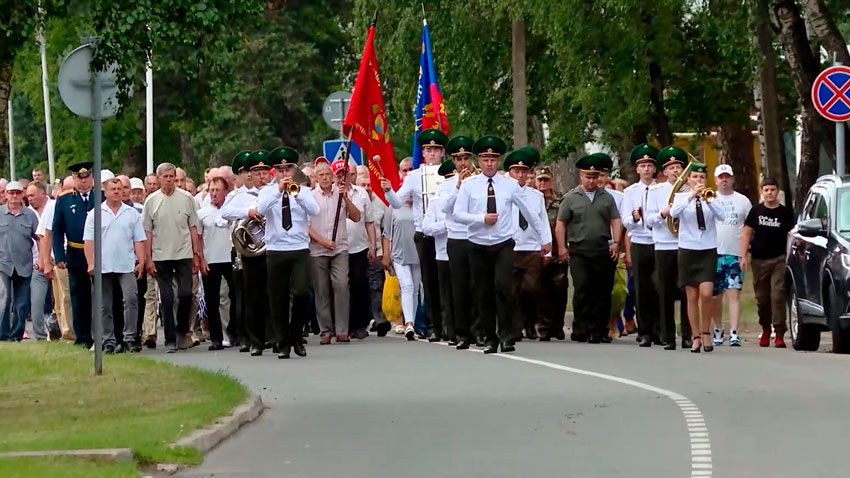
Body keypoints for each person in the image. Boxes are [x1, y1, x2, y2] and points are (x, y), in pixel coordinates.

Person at [452, 136, 551, 353]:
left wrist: (545, 238)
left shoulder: (510, 186)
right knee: (483, 292)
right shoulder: (469, 185)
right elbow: (458, 214)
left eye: (493, 159)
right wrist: (480, 219)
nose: (489, 163)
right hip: (477, 244)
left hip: (503, 244)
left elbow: (529, 212)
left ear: (498, 161)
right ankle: (489, 338)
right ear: (479, 161)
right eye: (485, 159)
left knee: (504, 289)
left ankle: (507, 336)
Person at [257, 147, 320, 358]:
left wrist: (295, 193)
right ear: (275, 172)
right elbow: (261, 209)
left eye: (288, 170)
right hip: (276, 249)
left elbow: (314, 210)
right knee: (278, 298)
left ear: (293, 171)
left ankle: (296, 335)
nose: (285, 174)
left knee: (302, 292)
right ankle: (283, 342)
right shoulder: (267, 191)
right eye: (281, 170)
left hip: (299, 248)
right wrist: (278, 191)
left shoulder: (303, 191)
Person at [386, 129, 447, 342]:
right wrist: (388, 190)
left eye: (435, 149)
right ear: (423, 152)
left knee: (447, 281)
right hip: (424, 232)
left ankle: (451, 324)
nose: (432, 154)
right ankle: (434, 326)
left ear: (441, 152)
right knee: (429, 282)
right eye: (428, 150)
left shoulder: (450, 173)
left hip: (449, 233)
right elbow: (396, 202)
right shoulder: (414, 176)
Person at [556, 154, 621, 344]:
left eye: (594, 176)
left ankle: (599, 330)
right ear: (581, 176)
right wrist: (562, 247)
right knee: (583, 289)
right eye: (587, 176)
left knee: (602, 291)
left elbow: (615, 220)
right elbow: (561, 223)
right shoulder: (571, 198)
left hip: (602, 250)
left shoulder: (607, 198)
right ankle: (581, 329)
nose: (591, 180)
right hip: (579, 251)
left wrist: (616, 242)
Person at [143, 162, 205, 353]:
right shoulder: (152, 201)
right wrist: (148, 258)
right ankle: (170, 338)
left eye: (172, 177)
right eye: (165, 177)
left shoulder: (186, 198)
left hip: (184, 253)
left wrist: (197, 254)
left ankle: (182, 331)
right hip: (161, 255)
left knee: (186, 294)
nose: (169, 180)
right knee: (167, 298)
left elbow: (193, 227)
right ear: (159, 178)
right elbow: (148, 232)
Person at [83, 178, 145, 353]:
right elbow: (88, 241)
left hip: (126, 264)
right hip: (103, 265)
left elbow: (139, 239)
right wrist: (91, 263)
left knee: (131, 299)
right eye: (113, 189)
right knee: (104, 305)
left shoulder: (132, 213)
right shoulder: (95, 214)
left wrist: (141, 260)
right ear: (105, 191)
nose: (117, 192)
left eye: (120, 188)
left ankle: (130, 337)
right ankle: (108, 340)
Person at [670, 162, 725, 353]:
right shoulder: (680, 197)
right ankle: (695, 336)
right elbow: (673, 213)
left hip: (708, 249)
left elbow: (722, 216)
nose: (699, 180)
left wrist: (708, 200)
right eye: (695, 177)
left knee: (707, 293)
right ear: (688, 179)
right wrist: (691, 196)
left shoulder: (713, 196)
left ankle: (706, 333)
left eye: (702, 177)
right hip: (688, 249)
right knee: (691, 296)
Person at [222, 151, 272, 355]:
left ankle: (275, 336)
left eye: (263, 172)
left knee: (274, 295)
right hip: (251, 252)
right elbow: (224, 214)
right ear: (249, 174)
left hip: (273, 249)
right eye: (255, 172)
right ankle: (254, 339)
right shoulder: (240, 197)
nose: (260, 176)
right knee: (252, 296)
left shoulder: (275, 192)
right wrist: (248, 212)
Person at [308, 160, 361, 344]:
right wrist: (322, 241)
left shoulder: (340, 194)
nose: (324, 178)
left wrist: (345, 198)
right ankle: (325, 330)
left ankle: (342, 330)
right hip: (318, 249)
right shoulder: (311, 196)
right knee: (321, 290)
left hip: (339, 248)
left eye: (327, 175)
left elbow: (356, 216)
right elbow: (306, 226)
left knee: (341, 285)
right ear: (316, 177)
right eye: (321, 175)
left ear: (332, 177)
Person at [741, 177, 795, 348]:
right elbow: (746, 234)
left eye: (772, 189)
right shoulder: (756, 211)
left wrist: (789, 257)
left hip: (779, 259)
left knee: (777, 295)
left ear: (777, 191)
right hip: (758, 260)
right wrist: (743, 256)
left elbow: (790, 236)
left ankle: (779, 333)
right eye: (766, 190)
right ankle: (765, 329)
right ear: (761, 192)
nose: (769, 193)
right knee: (762, 299)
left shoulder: (786, 213)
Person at [440, 136, 482, 345]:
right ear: (453, 161)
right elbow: (444, 208)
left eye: (466, 158)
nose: (463, 163)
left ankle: (478, 330)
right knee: (459, 287)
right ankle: (461, 332)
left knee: (478, 286)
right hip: (456, 238)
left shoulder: (480, 181)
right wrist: (458, 186)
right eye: (458, 159)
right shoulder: (447, 184)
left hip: (476, 237)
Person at [507, 147, 551, 342]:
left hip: (531, 247)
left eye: (524, 172)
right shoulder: (504, 194)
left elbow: (542, 221)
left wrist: (546, 245)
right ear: (510, 173)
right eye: (517, 171)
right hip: (511, 247)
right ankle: (515, 327)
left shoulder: (536, 196)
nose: (521, 175)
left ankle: (530, 323)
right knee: (512, 290)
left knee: (531, 289)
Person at [52, 162, 98, 348]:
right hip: (76, 252)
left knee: (102, 297)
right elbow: (57, 229)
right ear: (74, 179)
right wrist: (60, 256)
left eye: (87, 177)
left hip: (99, 253)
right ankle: (82, 337)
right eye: (80, 177)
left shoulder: (101, 196)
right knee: (79, 298)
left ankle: (104, 336)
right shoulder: (64, 201)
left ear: (92, 178)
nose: (84, 181)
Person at [621, 144, 660, 347]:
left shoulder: (661, 189)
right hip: (639, 242)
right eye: (642, 165)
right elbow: (625, 221)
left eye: (649, 165)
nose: (646, 169)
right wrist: (634, 218)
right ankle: (644, 331)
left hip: (658, 242)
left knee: (659, 286)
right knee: (641, 288)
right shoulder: (630, 192)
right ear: (637, 169)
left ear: (654, 168)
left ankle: (659, 329)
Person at [710, 164, 752, 347]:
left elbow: (748, 229)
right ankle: (718, 328)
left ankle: (734, 332)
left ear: (733, 179)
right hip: (713, 253)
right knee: (714, 295)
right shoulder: (709, 198)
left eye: (727, 177)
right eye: (721, 177)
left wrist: (744, 255)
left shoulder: (743, 201)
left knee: (733, 293)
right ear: (716, 179)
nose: (724, 180)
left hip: (734, 253)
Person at [0, 181, 39, 341]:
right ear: (6, 195)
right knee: (4, 299)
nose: (14, 196)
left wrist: (43, 258)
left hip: (24, 264)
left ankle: (16, 334)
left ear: (22, 194)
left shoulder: (30, 215)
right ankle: (2, 333)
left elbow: (40, 237)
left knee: (21, 303)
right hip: (3, 264)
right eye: (11, 193)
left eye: (17, 193)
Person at [423, 160, 456, 344]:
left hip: (464, 251)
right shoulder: (435, 202)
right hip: (443, 254)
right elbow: (426, 228)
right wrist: (444, 225)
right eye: (449, 179)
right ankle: (449, 329)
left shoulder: (465, 198)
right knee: (447, 295)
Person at [381, 181, 419, 340]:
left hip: (417, 254)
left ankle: (413, 323)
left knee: (415, 290)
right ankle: (408, 323)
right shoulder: (394, 207)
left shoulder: (421, 206)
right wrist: (386, 255)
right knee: (407, 286)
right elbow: (386, 233)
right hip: (399, 253)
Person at [39, 175, 74, 341]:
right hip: (60, 259)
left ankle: (72, 330)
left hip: (78, 256)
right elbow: (46, 235)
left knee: (69, 297)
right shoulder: (53, 206)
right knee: (62, 298)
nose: (68, 192)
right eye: (66, 188)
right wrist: (46, 262)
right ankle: (66, 332)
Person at [535, 166, 569, 341]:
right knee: (541, 290)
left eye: (545, 180)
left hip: (557, 249)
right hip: (538, 251)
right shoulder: (531, 198)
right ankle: (544, 327)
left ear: (551, 181)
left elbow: (565, 223)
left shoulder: (561, 200)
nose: (542, 183)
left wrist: (564, 247)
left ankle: (558, 325)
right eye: (540, 179)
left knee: (560, 289)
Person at [344, 159, 375, 340]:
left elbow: (369, 222)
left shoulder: (361, 193)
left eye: (347, 174)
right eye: (339, 174)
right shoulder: (332, 193)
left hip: (359, 246)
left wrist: (372, 245)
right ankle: (344, 325)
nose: (344, 177)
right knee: (342, 287)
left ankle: (360, 325)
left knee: (359, 284)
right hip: (339, 248)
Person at [360, 175, 391, 336]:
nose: (366, 188)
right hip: (357, 250)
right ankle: (363, 320)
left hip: (377, 250)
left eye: (369, 185)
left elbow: (386, 232)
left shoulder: (380, 204)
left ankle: (380, 320)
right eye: (363, 184)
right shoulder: (355, 199)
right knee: (359, 287)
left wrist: (386, 254)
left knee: (376, 285)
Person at [26, 181, 53, 341]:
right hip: (37, 264)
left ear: (43, 194)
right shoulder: (27, 213)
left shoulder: (55, 206)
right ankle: (40, 336)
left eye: (32, 195)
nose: (29, 199)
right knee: (36, 301)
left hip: (58, 260)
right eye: (28, 196)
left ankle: (65, 333)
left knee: (64, 301)